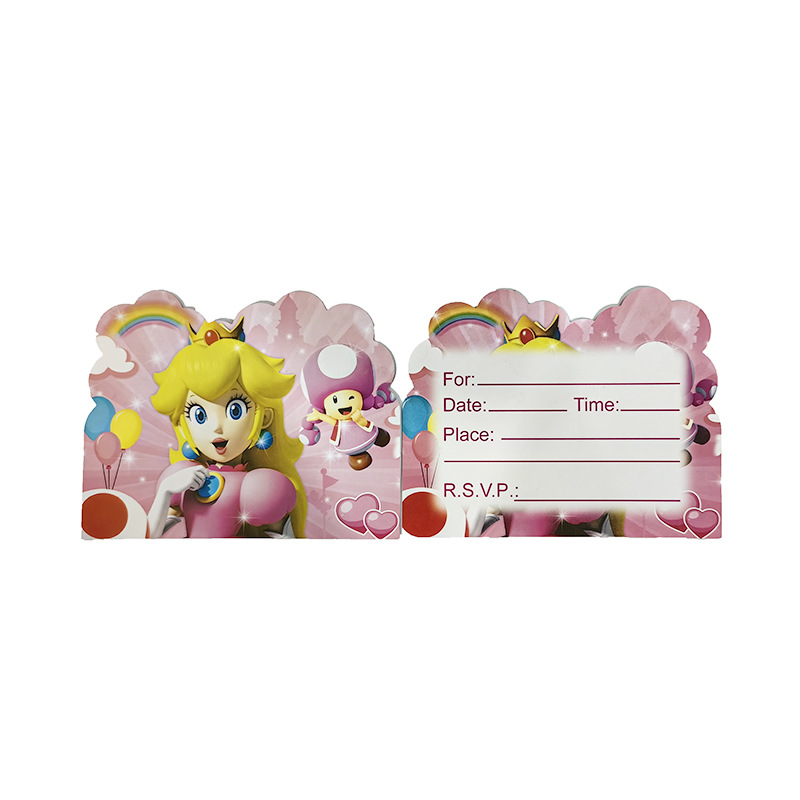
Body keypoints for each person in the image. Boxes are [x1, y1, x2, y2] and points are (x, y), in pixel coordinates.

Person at [148, 320, 307, 537]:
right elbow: (148, 538)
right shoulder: (182, 477)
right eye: (199, 415)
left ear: (264, 418)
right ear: (183, 425)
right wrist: (165, 491)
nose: (217, 428)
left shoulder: (262, 486)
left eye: (235, 410)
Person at [299, 344, 393, 470]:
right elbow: (333, 421)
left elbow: (362, 423)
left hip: (364, 433)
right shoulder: (339, 422)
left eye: (351, 398)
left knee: (376, 434)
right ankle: (359, 455)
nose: (344, 405)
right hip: (349, 442)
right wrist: (320, 415)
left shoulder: (357, 412)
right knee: (360, 455)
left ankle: (378, 437)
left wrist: (359, 419)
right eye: (335, 400)